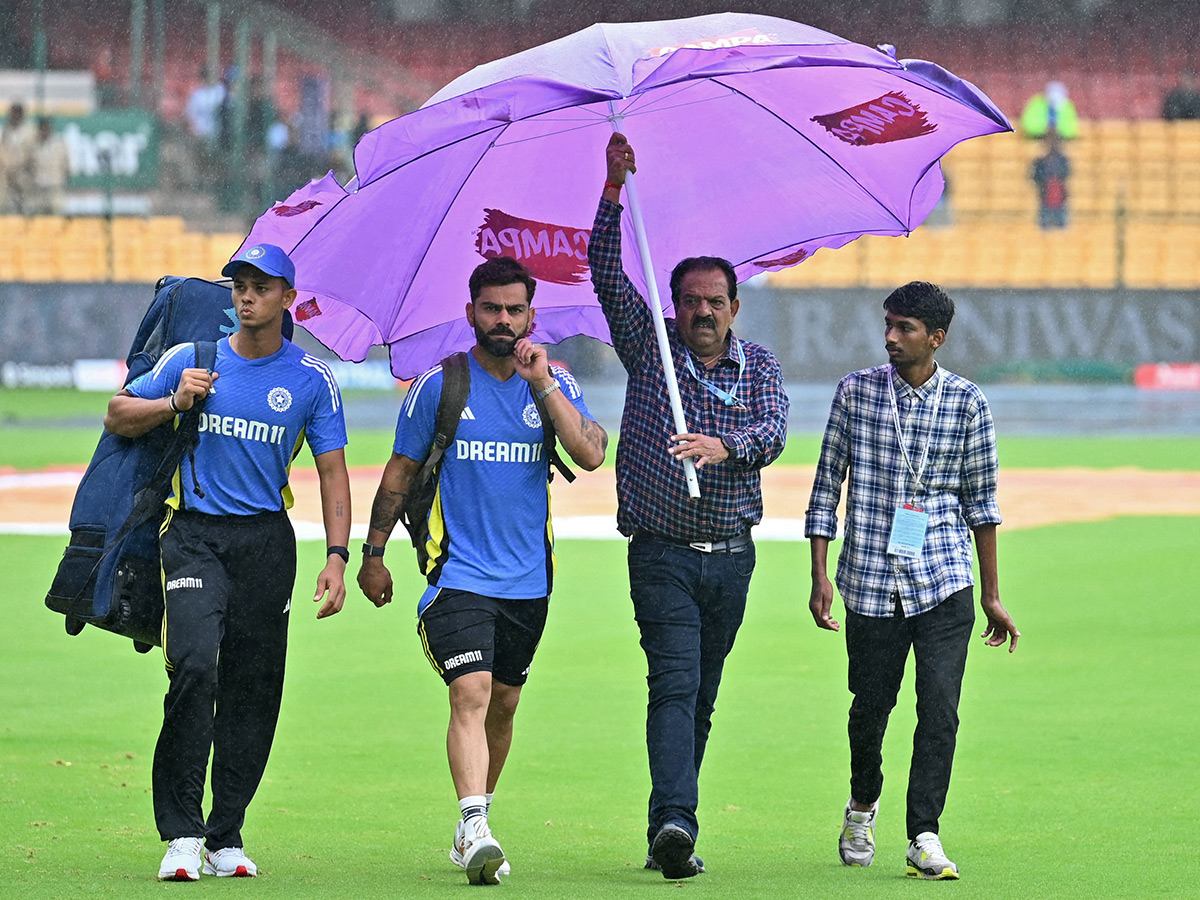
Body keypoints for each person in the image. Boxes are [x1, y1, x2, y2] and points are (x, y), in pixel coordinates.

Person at [104, 243, 352, 882]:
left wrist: (337, 556)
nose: (246, 296)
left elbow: (332, 474)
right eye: (240, 285)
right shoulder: (193, 361)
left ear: (287, 299)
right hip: (191, 536)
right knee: (192, 667)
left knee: (256, 684)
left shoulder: (311, 380)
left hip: (266, 543)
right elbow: (118, 413)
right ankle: (182, 833)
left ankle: (226, 835)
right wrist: (175, 403)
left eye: (261, 287)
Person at [356, 256, 607, 886]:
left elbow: (591, 453)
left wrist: (543, 382)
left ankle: (477, 821)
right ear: (470, 313)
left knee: (504, 702)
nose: (502, 320)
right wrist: (373, 554)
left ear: (531, 314)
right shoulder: (439, 386)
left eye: (514, 309)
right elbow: (399, 473)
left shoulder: (553, 382)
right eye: (490, 308)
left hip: (530, 582)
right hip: (457, 576)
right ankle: (473, 827)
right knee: (469, 692)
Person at [590, 133, 789, 879]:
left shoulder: (760, 365)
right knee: (673, 682)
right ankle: (679, 822)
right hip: (662, 553)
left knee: (701, 696)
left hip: (732, 557)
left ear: (735, 306)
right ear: (673, 306)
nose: (703, 312)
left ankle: (664, 823)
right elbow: (607, 272)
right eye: (690, 300)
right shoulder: (650, 348)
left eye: (715, 301)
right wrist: (612, 191)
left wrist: (721, 446)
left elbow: (772, 432)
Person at [804, 281, 1020, 881]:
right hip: (870, 578)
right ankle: (862, 803)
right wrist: (820, 575)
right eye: (889, 324)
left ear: (937, 338)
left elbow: (983, 505)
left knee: (941, 710)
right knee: (870, 707)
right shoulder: (855, 393)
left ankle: (924, 833)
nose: (891, 337)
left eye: (905, 328)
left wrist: (993, 595)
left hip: (945, 580)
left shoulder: (968, 403)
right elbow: (826, 490)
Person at [30, 117, 71, 215]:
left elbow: (67, 166)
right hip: (38, 188)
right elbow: (30, 166)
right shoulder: (33, 146)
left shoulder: (59, 144)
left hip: (55, 187)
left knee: (57, 215)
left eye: (46, 129)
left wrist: (61, 179)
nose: (44, 132)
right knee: (39, 218)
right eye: (41, 129)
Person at [0, 102, 36, 213]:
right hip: (8, 173)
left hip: (24, 172)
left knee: (26, 205)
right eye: (12, 113)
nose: (14, 116)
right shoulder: (6, 130)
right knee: (7, 205)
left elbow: (33, 152)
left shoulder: (30, 130)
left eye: (17, 113)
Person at [1031, 130, 1070, 229]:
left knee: (1063, 234)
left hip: (1060, 201)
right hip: (1045, 200)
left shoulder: (1062, 160)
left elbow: (1067, 175)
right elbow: (1034, 177)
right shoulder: (1040, 162)